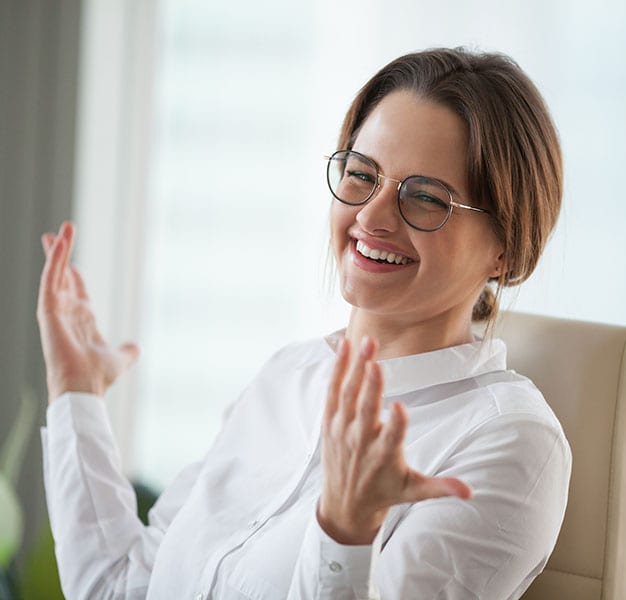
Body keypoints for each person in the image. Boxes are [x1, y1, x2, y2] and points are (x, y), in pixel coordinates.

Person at [37, 47, 570, 599]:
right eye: (363, 174)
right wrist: (75, 390)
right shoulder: (287, 374)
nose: (370, 216)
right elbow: (121, 588)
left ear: (506, 251)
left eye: (426, 198)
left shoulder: (509, 441)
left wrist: (345, 533)